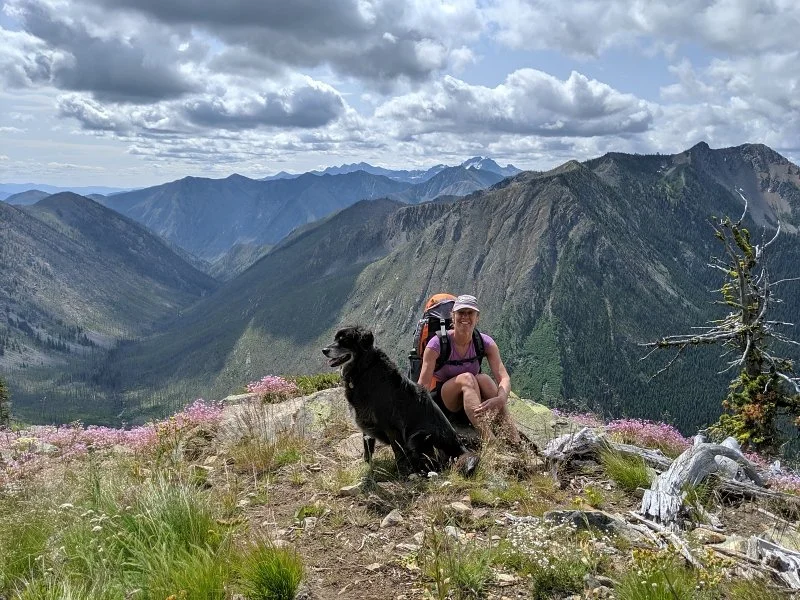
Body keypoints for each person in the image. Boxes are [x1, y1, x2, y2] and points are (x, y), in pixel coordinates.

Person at [417, 294, 521, 445]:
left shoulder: (484, 342)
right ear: (452, 316)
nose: (465, 317)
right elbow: (423, 386)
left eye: (470, 313)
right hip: (445, 402)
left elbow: (504, 378)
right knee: (468, 377)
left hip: (473, 402)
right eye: (461, 313)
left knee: (483, 379)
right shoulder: (436, 344)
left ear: (477, 317)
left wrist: (500, 399)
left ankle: (514, 439)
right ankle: (491, 442)